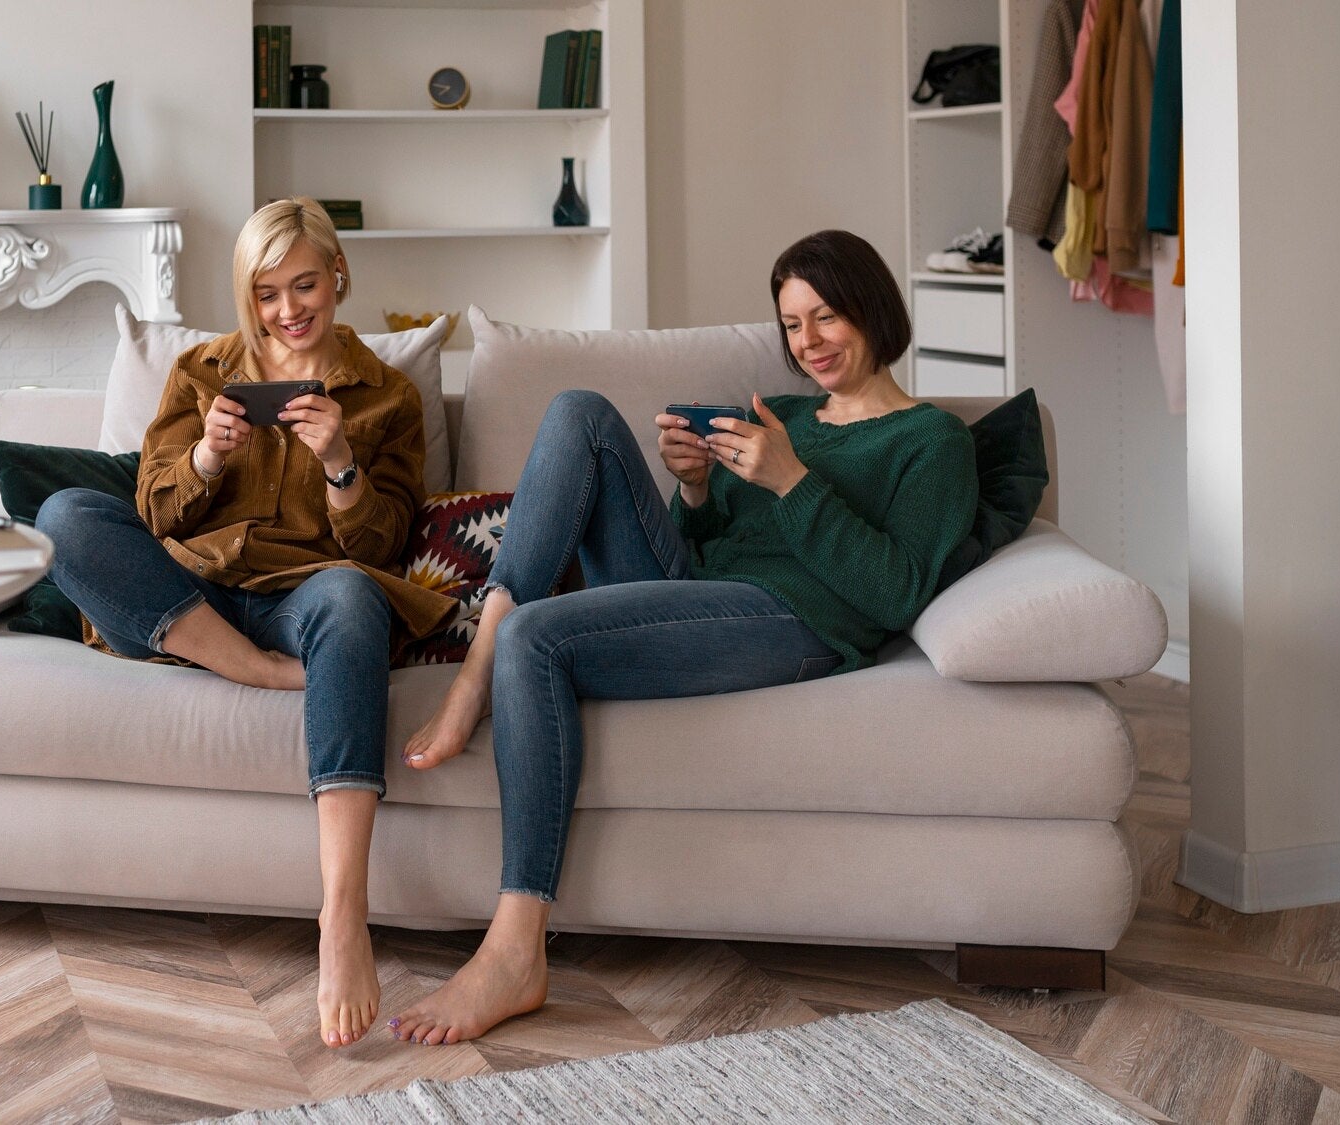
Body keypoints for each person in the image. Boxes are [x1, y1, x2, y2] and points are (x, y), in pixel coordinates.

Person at [389, 229, 979, 1045]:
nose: (808, 342)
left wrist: (792, 479)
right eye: (793, 325)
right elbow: (700, 553)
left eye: (827, 317)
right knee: (580, 413)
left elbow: (897, 590)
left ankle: (515, 948)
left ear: (874, 309)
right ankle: (477, 662)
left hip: (799, 622)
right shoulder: (790, 415)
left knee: (539, 637)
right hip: (711, 594)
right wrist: (696, 488)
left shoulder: (933, 442)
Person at [36, 197, 454, 1049]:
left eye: (306, 285)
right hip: (194, 592)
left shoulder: (389, 397)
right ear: (248, 296)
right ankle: (250, 669)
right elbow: (152, 512)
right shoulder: (201, 370)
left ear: (338, 276)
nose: (289, 309)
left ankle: (342, 914)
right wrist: (206, 456)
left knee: (350, 597)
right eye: (267, 293)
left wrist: (340, 462)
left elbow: (385, 545)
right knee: (66, 515)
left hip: (308, 595)